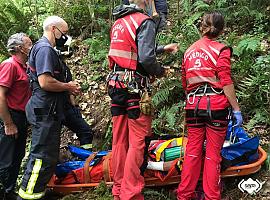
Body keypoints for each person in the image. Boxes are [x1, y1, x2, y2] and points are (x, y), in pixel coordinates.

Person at [107, 1, 178, 199]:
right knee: (138, 141)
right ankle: (131, 193)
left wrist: (162, 48)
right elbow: (145, 57)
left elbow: (134, 48)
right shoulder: (144, 21)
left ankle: (118, 188)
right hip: (134, 89)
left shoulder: (119, 22)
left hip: (116, 85)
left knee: (120, 140)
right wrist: (161, 71)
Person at [177, 12, 243, 200]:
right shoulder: (221, 50)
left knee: (192, 152)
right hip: (215, 106)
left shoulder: (188, 51)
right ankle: (211, 196)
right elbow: (226, 80)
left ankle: (184, 195)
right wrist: (236, 109)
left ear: (202, 27)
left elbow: (185, 82)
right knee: (213, 153)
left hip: (193, 106)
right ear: (221, 30)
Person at [18, 16, 81, 200]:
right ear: (54, 29)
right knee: (41, 157)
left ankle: (38, 193)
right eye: (65, 33)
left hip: (47, 110)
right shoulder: (45, 49)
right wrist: (68, 86)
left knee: (46, 156)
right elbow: (45, 82)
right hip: (44, 111)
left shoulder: (42, 48)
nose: (66, 37)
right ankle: (27, 196)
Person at [0, 33, 32, 200]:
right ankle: (5, 191)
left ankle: (10, 192)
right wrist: (8, 123)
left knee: (17, 156)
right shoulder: (10, 65)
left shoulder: (24, 66)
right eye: (29, 44)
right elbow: (0, 95)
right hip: (11, 116)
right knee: (5, 160)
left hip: (21, 117)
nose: (31, 47)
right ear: (20, 48)